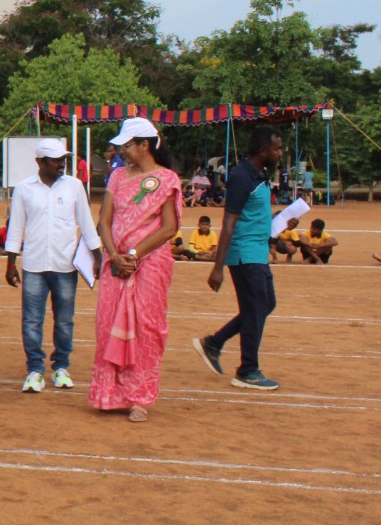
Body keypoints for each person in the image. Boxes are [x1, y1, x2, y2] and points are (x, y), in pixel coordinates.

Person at [89, 118, 182, 423]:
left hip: (150, 264)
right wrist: (115, 255)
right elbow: (104, 221)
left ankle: (139, 397)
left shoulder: (167, 180)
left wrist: (133, 254)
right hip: (115, 265)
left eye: (127, 145)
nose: (122, 151)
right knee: (108, 324)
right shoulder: (117, 177)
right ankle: (109, 393)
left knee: (146, 328)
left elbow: (169, 227)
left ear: (145, 145)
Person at [3, 137, 102, 393]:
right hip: (34, 264)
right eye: (56, 160)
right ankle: (35, 369)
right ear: (40, 162)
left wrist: (98, 257)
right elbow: (16, 228)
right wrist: (11, 264)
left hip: (65, 266)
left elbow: (87, 224)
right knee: (32, 321)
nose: (61, 164)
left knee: (65, 320)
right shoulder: (24, 189)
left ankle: (60, 367)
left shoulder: (74, 186)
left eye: (63, 160)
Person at [195, 126, 284, 392]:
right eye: (277, 148)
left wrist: (280, 224)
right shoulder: (242, 177)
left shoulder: (259, 174)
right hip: (245, 254)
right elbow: (229, 223)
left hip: (257, 251)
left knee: (264, 305)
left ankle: (214, 342)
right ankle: (247, 370)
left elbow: (256, 215)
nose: (280, 153)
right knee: (256, 309)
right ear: (263, 150)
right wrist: (217, 268)